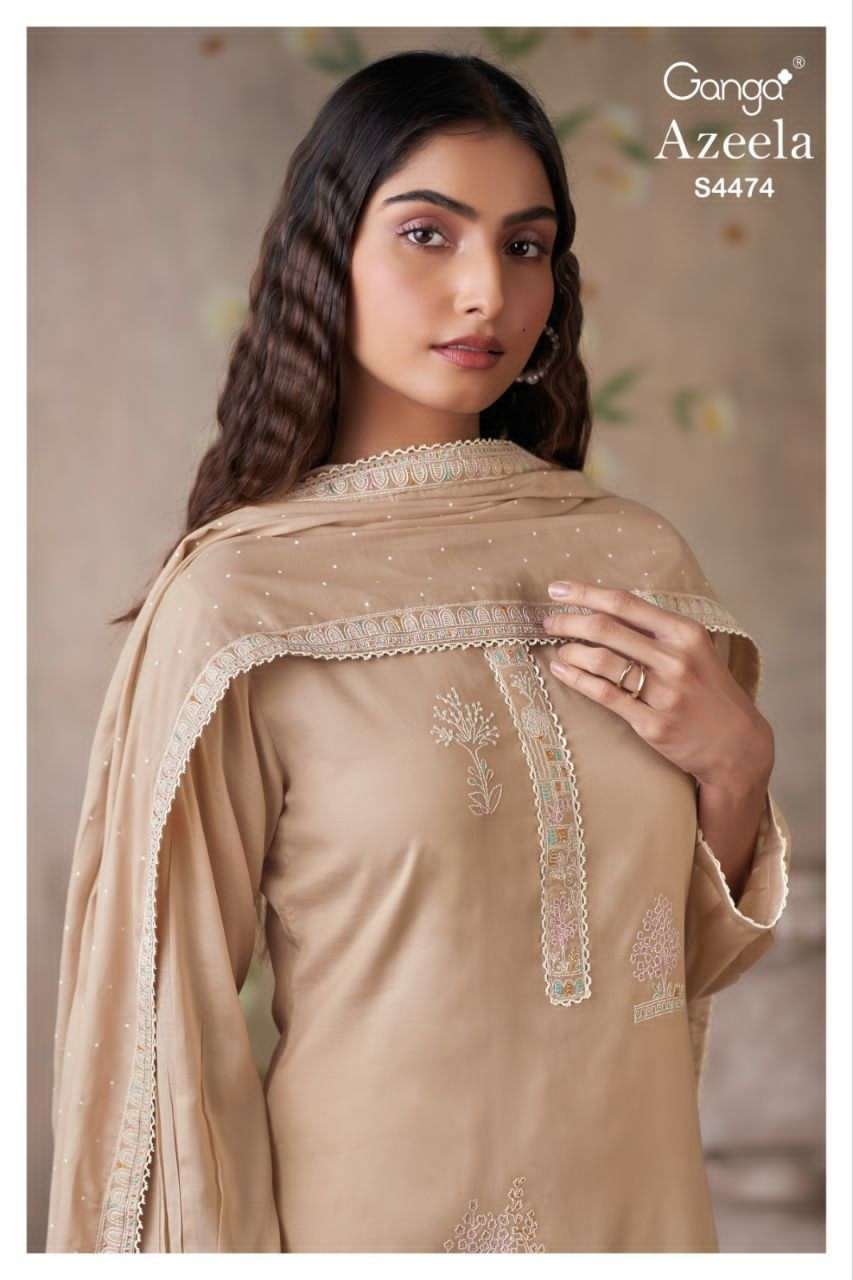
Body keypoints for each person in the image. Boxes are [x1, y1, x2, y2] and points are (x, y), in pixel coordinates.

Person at [46, 49, 791, 1253]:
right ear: (325, 256)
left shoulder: (630, 559)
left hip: (640, 1222)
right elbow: (163, 1039)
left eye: (525, 245)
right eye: (428, 235)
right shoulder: (241, 603)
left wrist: (735, 768)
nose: (486, 291)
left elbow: (675, 967)